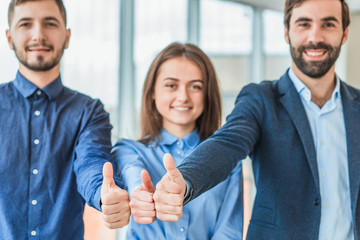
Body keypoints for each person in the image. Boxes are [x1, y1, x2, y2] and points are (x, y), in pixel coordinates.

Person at [153, 0, 360, 239]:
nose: (315, 36)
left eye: (328, 24)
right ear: (286, 32)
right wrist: (186, 179)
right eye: (304, 24)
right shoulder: (260, 100)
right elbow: (227, 143)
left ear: (344, 33)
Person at [0, 0, 130, 239]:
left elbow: (91, 163)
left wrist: (104, 194)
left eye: (50, 23)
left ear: (67, 37)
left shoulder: (90, 112)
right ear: (9, 38)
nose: (38, 35)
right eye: (26, 24)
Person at [112, 42, 243, 239]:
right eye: (171, 85)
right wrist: (140, 195)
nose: (183, 96)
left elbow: (229, 232)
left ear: (207, 95)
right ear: (153, 92)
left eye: (195, 87)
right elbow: (134, 178)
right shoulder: (129, 151)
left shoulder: (227, 160)